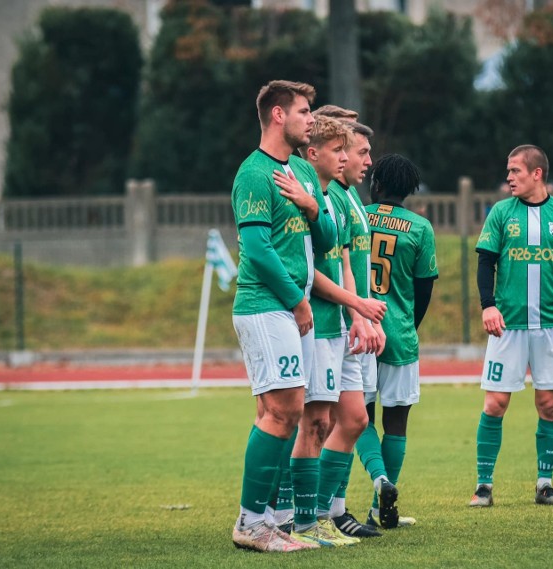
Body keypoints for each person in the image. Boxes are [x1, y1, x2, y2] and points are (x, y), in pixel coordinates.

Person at [230, 80, 337, 553]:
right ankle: (251, 523)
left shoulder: (302, 171)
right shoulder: (253, 174)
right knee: (284, 409)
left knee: (284, 412)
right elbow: (256, 249)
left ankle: (269, 520)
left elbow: (328, 240)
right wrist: (297, 299)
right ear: (278, 115)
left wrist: (312, 205)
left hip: (293, 308)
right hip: (266, 306)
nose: (311, 119)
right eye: (303, 111)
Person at [469, 144, 553, 508]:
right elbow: (486, 263)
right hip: (508, 326)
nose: (509, 178)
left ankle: (545, 484)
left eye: (515, 171)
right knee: (495, 404)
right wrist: (488, 305)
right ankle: (484, 487)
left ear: (537, 174)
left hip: (551, 326)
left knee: (549, 406)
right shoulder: (501, 213)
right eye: (508, 171)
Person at [355, 153, 438, 530]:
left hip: (357, 330)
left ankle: (379, 480)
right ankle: (382, 507)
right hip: (400, 333)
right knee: (398, 422)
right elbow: (424, 290)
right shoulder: (420, 228)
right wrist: (407, 325)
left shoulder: (356, 213)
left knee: (358, 418)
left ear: (376, 185)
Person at [315, 119, 386, 538]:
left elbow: (350, 264)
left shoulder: (350, 196)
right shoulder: (331, 198)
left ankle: (332, 511)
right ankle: (308, 513)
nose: (365, 160)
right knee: (319, 423)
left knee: (353, 420)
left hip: (350, 323)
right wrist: (356, 314)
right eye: (359, 152)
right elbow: (332, 267)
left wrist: (361, 315)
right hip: (332, 323)